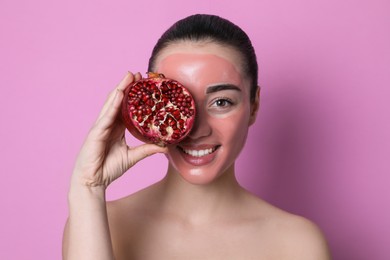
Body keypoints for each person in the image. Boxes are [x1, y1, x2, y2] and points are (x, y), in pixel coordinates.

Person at [62, 14, 331, 259]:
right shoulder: (101, 222)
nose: (197, 128)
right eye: (177, 102)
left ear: (254, 107)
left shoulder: (297, 243)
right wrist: (87, 187)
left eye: (221, 102)